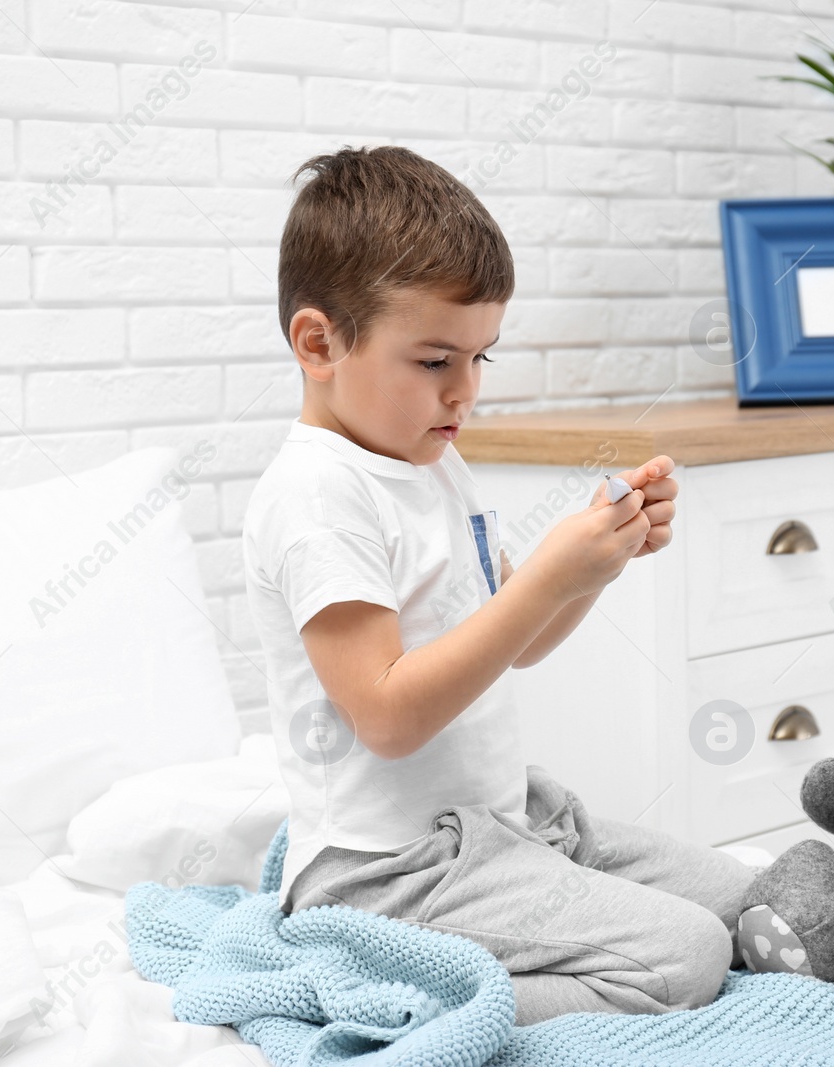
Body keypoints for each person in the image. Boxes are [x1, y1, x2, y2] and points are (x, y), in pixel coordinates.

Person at [241, 144, 756, 1026]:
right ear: (319, 343)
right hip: (387, 877)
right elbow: (389, 715)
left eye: (484, 359)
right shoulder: (318, 494)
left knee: (745, 897)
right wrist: (549, 574)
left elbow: (520, 639)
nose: (466, 391)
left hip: (501, 828)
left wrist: (598, 562)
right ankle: (399, 997)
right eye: (436, 361)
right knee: (689, 955)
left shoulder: (431, 460)